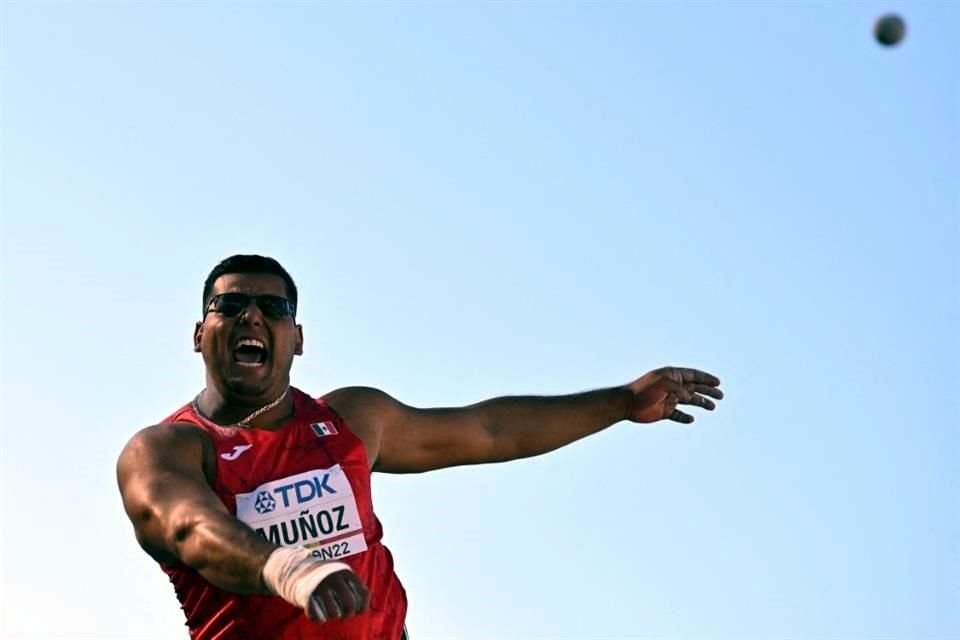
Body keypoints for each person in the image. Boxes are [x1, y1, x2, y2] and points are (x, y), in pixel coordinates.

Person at [117, 254, 724, 640]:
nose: (251, 316)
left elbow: (490, 430)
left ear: (296, 338)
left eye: (272, 308)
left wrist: (622, 402)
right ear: (200, 333)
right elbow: (190, 528)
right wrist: (292, 571)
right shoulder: (168, 448)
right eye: (230, 305)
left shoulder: (350, 418)